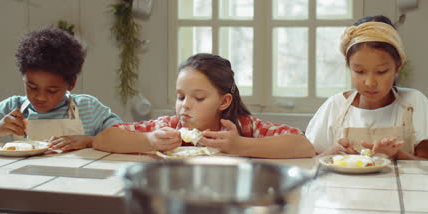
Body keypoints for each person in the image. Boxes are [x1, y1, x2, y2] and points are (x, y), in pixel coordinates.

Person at [93, 53, 316, 158]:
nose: (185, 106)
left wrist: (241, 146)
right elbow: (104, 138)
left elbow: (303, 145)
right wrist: (149, 141)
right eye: (180, 97)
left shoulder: (242, 128)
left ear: (224, 101)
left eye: (198, 98)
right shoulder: (169, 127)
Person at [305, 15, 428, 160]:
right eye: (359, 71)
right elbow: (310, 162)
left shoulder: (414, 103)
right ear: (349, 66)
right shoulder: (335, 107)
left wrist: (397, 154)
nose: (370, 82)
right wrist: (331, 153)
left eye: (381, 72)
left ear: (398, 66)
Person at [0, 27, 122, 151]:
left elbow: (125, 138)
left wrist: (90, 141)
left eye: (52, 91)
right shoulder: (12, 107)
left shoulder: (88, 108)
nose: (40, 97)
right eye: (32, 87)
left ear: (71, 84)